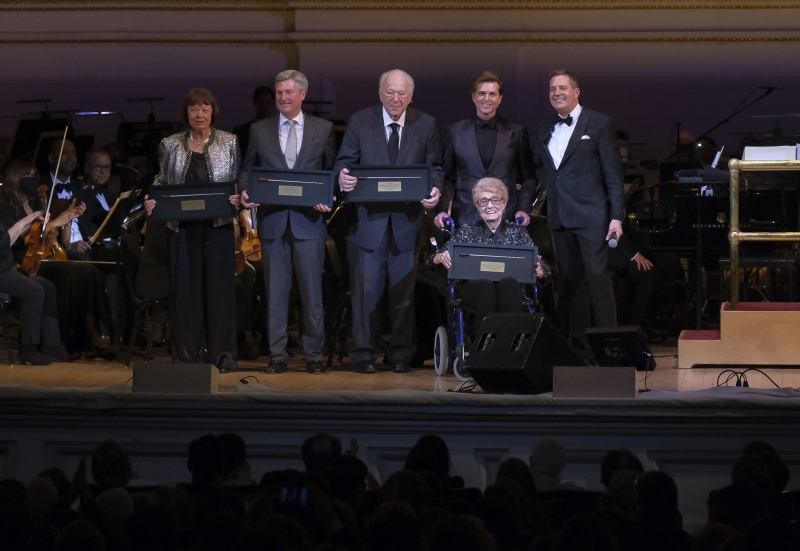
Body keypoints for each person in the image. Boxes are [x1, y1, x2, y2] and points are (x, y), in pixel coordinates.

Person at [334, 69, 443, 374]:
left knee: (403, 297)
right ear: (380, 93)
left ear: (411, 96)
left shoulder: (426, 123)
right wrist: (342, 177)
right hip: (366, 225)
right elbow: (344, 163)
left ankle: (400, 356)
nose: (396, 99)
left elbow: (435, 167)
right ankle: (364, 355)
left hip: (406, 225)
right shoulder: (360, 120)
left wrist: (435, 190)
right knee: (366, 295)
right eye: (390, 92)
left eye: (402, 93)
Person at [239, 70, 337, 375]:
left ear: (302, 94)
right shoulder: (259, 129)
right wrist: (245, 190)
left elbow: (332, 171)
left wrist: (328, 195)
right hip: (273, 222)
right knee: (275, 296)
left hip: (309, 223)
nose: (283, 97)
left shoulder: (324, 128)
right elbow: (247, 170)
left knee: (312, 295)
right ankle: (277, 356)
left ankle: (314, 357)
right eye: (279, 92)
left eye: (289, 92)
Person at [143, 88, 241, 372]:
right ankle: (186, 360)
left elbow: (236, 181)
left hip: (219, 230)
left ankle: (222, 358)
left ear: (213, 112)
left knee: (220, 296)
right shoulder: (169, 144)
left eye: (205, 109)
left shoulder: (229, 141)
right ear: (186, 113)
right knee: (186, 297)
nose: (200, 114)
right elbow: (161, 181)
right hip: (182, 231)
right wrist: (151, 200)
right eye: (194, 109)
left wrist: (238, 195)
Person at [538, 70, 625, 337]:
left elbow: (613, 174)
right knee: (569, 283)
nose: (557, 93)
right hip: (560, 216)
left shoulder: (599, 123)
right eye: (552, 89)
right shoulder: (546, 126)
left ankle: (610, 343)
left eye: (563, 88)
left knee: (598, 278)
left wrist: (617, 216)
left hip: (592, 215)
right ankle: (575, 346)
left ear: (576, 92)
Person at [430, 178, 549, 333]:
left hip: (509, 287)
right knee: (485, 286)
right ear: (478, 207)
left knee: (509, 284)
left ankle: (509, 345)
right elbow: (432, 259)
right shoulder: (467, 231)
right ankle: (484, 347)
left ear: (504, 203)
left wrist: (541, 270)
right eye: (483, 201)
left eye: (495, 200)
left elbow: (542, 264)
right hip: (474, 287)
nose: (490, 206)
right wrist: (439, 257)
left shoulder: (517, 232)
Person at [435, 70, 537, 228]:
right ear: (473, 96)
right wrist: (442, 210)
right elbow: (447, 178)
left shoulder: (517, 131)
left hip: (507, 218)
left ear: (500, 98)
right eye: (482, 93)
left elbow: (529, 178)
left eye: (492, 94)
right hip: (465, 218)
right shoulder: (455, 131)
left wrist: (523, 209)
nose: (487, 99)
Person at [233, 85, 275, 155]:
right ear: (255, 103)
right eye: (260, 102)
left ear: (273, 104)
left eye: (268, 102)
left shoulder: (281, 131)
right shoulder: (240, 132)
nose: (264, 106)